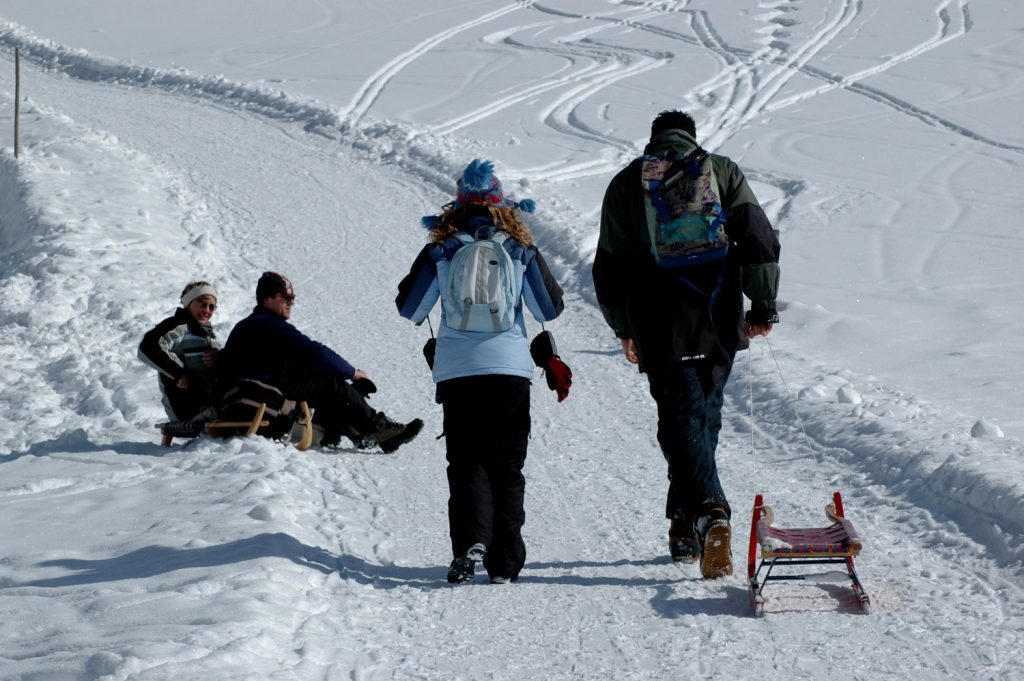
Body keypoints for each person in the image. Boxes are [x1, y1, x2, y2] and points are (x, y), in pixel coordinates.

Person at [592, 110, 780, 578]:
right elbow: (757, 235)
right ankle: (684, 526)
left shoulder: (626, 183)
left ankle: (709, 513)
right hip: (716, 311)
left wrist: (623, 326)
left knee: (681, 419)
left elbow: (609, 264)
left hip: (657, 316)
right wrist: (762, 304)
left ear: (653, 139)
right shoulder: (720, 170)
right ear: (692, 138)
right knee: (703, 418)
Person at [396, 159, 568, 585]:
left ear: (456, 205)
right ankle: (505, 565)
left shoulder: (444, 248)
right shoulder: (517, 249)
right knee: (507, 466)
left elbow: (410, 307)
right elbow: (549, 307)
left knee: (467, 460)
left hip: (458, 372)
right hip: (510, 370)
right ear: (501, 205)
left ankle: (471, 540)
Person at [218, 271, 422, 453]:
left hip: (248, 395)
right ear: (267, 300)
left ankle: (357, 431)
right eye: (285, 297)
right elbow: (315, 353)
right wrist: (352, 373)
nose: (291, 302)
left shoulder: (246, 326)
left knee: (322, 380)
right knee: (332, 384)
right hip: (261, 396)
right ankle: (378, 429)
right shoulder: (269, 325)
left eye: (293, 298)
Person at [138, 280, 222, 424]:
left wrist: (220, 358)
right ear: (189, 303)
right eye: (202, 303)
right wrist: (178, 373)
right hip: (186, 410)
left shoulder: (209, 337)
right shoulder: (179, 326)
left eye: (211, 307)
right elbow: (148, 347)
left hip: (209, 404)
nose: (207, 310)